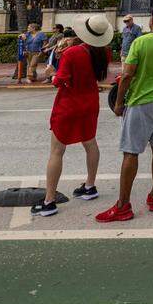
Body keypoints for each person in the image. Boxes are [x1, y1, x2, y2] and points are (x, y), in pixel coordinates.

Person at [98, 6, 153, 222]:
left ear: (152, 21)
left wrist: (119, 103)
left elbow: (127, 75)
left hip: (142, 101)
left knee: (131, 152)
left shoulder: (141, 42)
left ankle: (123, 205)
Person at [31, 14, 113, 217]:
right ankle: (90, 186)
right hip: (90, 102)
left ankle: (49, 200)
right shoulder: (104, 52)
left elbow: (60, 81)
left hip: (69, 104)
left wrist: (50, 73)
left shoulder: (73, 52)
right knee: (90, 143)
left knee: (57, 151)